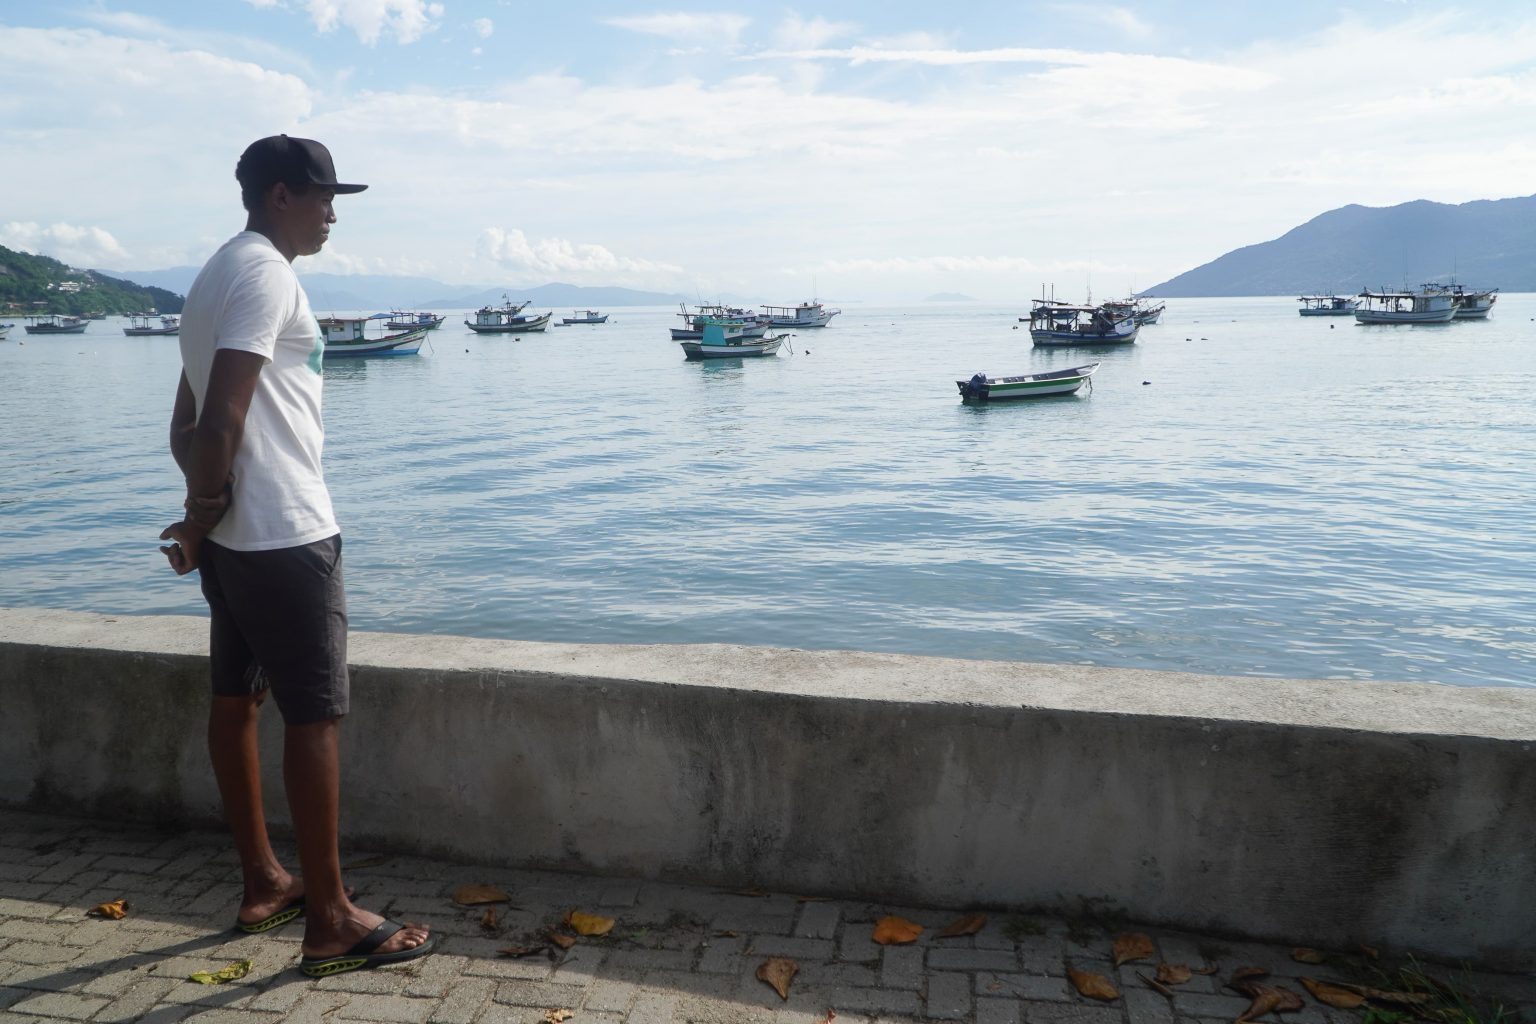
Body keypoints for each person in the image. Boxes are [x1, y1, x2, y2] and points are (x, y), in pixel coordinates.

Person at [160, 134, 435, 977]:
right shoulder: (267, 275)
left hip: (238, 539)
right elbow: (218, 422)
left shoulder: (214, 275)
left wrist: (204, 518)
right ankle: (331, 920)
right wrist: (204, 513)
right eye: (323, 197)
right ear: (280, 195)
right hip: (284, 533)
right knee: (313, 716)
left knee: (235, 700)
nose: (332, 214)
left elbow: (183, 427)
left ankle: (265, 883)